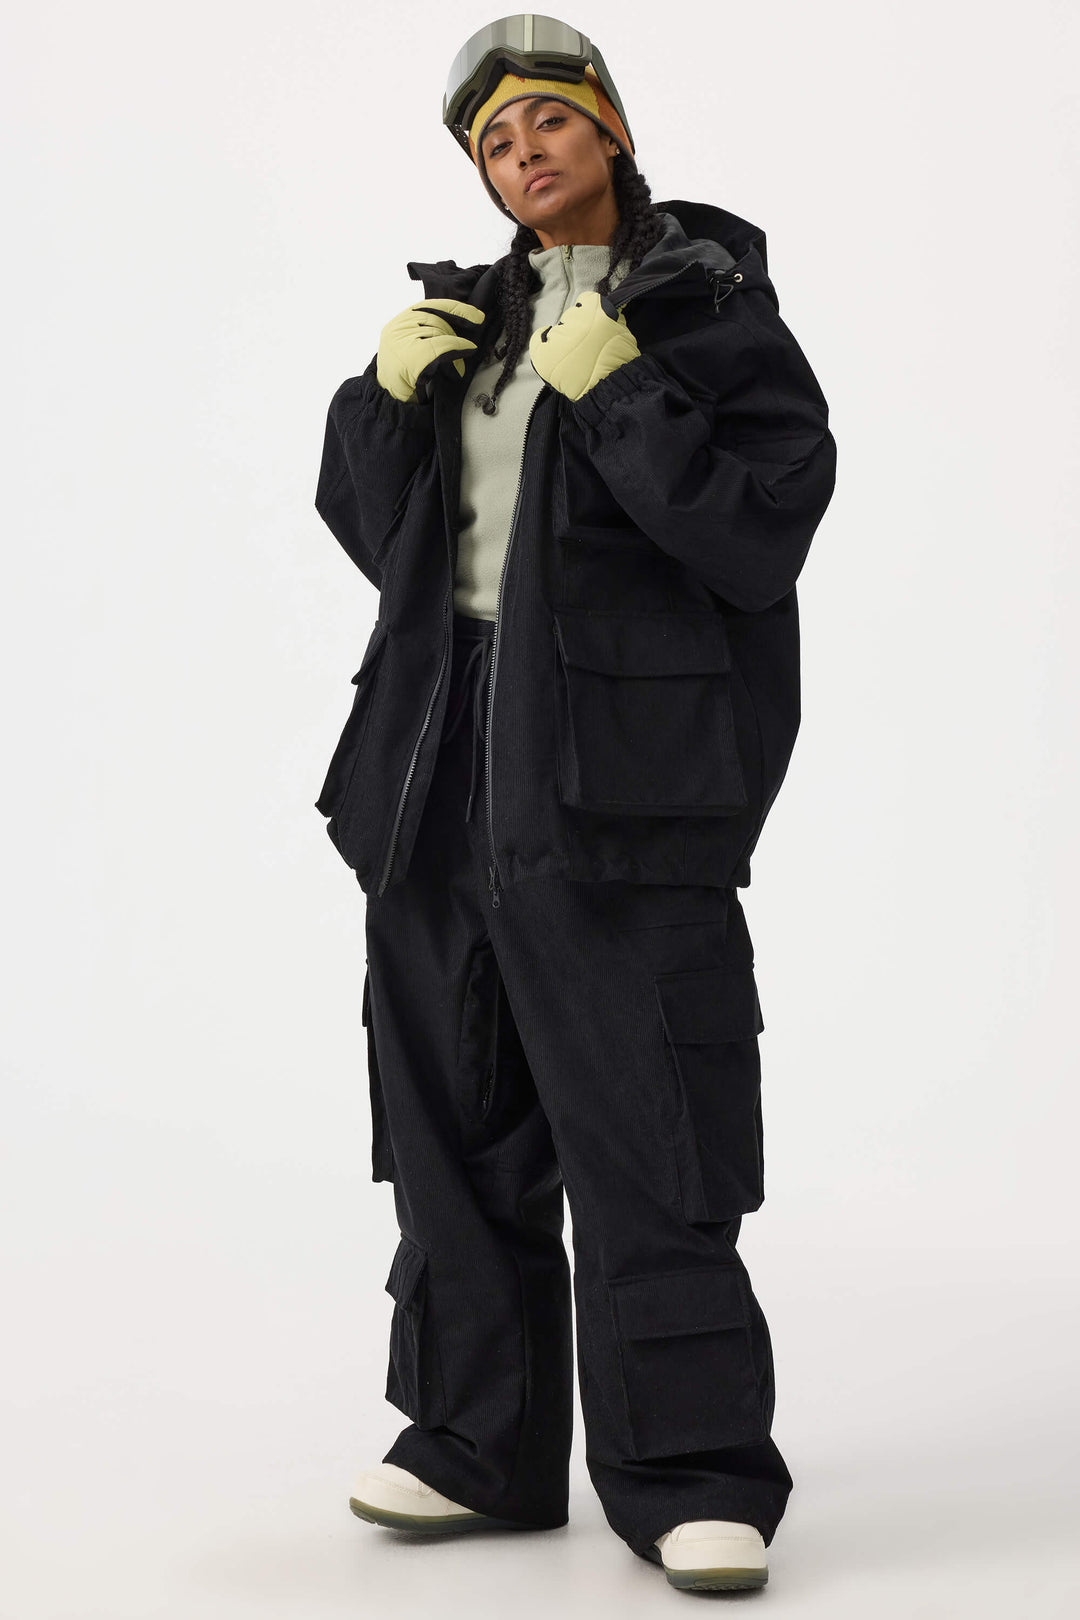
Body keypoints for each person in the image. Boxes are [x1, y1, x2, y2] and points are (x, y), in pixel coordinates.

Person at [312, 15, 836, 1594]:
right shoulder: (466, 324)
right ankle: (476, 1442)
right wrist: (378, 401)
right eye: (493, 141)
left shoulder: (708, 312)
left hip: (621, 782)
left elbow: (755, 535)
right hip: (433, 768)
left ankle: (692, 1473)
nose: (523, 152)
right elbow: (392, 548)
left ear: (608, 129)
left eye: (547, 119)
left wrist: (619, 390)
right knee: (451, 1125)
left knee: (648, 1130)